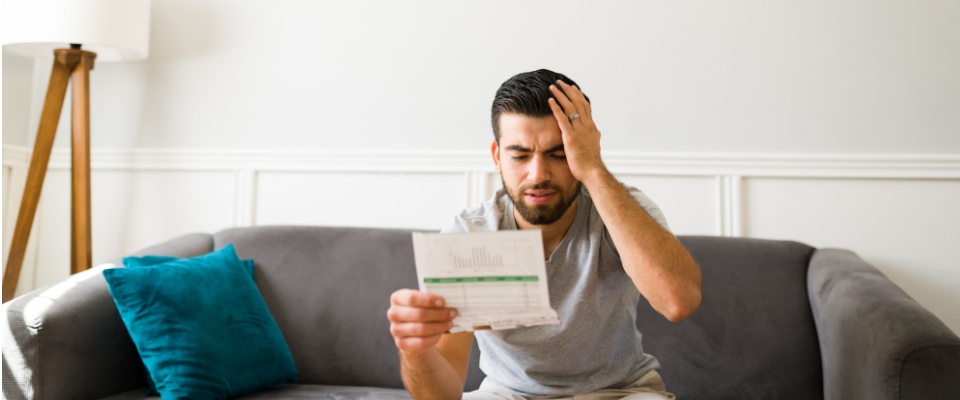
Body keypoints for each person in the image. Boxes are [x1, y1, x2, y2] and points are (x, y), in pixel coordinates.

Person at [387, 69, 702, 400]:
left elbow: (677, 302)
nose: (538, 174)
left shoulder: (623, 208)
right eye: (520, 155)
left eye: (558, 154)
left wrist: (593, 170)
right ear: (497, 156)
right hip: (507, 394)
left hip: (619, 392)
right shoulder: (470, 233)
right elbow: (441, 395)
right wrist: (415, 351)